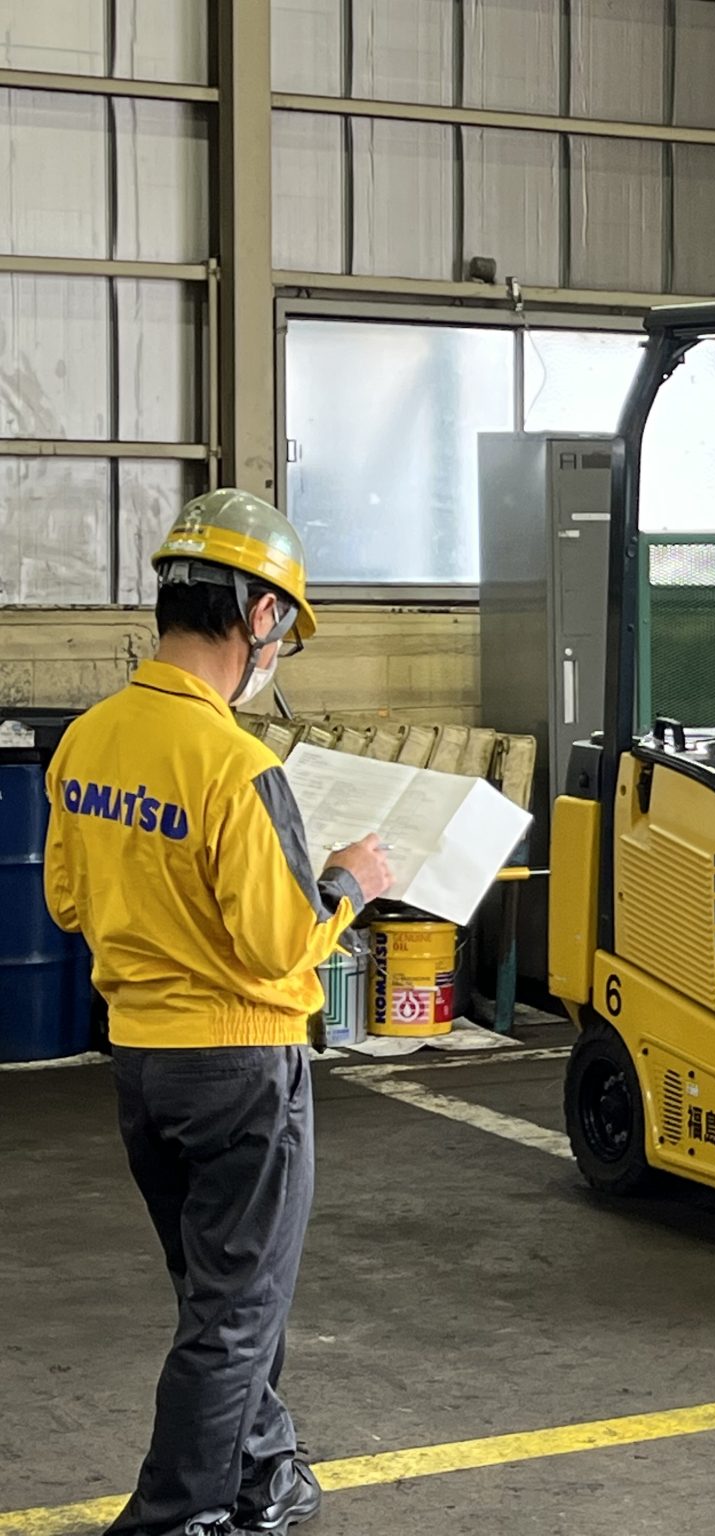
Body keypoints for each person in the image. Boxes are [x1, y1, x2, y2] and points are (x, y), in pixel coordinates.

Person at [43, 490, 394, 1536]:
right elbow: (282, 944)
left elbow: (68, 899)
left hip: (143, 1066)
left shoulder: (89, 740)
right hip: (242, 1067)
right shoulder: (238, 766)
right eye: (281, 622)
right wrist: (345, 883)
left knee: (219, 1298)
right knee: (236, 1315)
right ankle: (175, 1519)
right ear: (257, 617)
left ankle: (262, 1473)